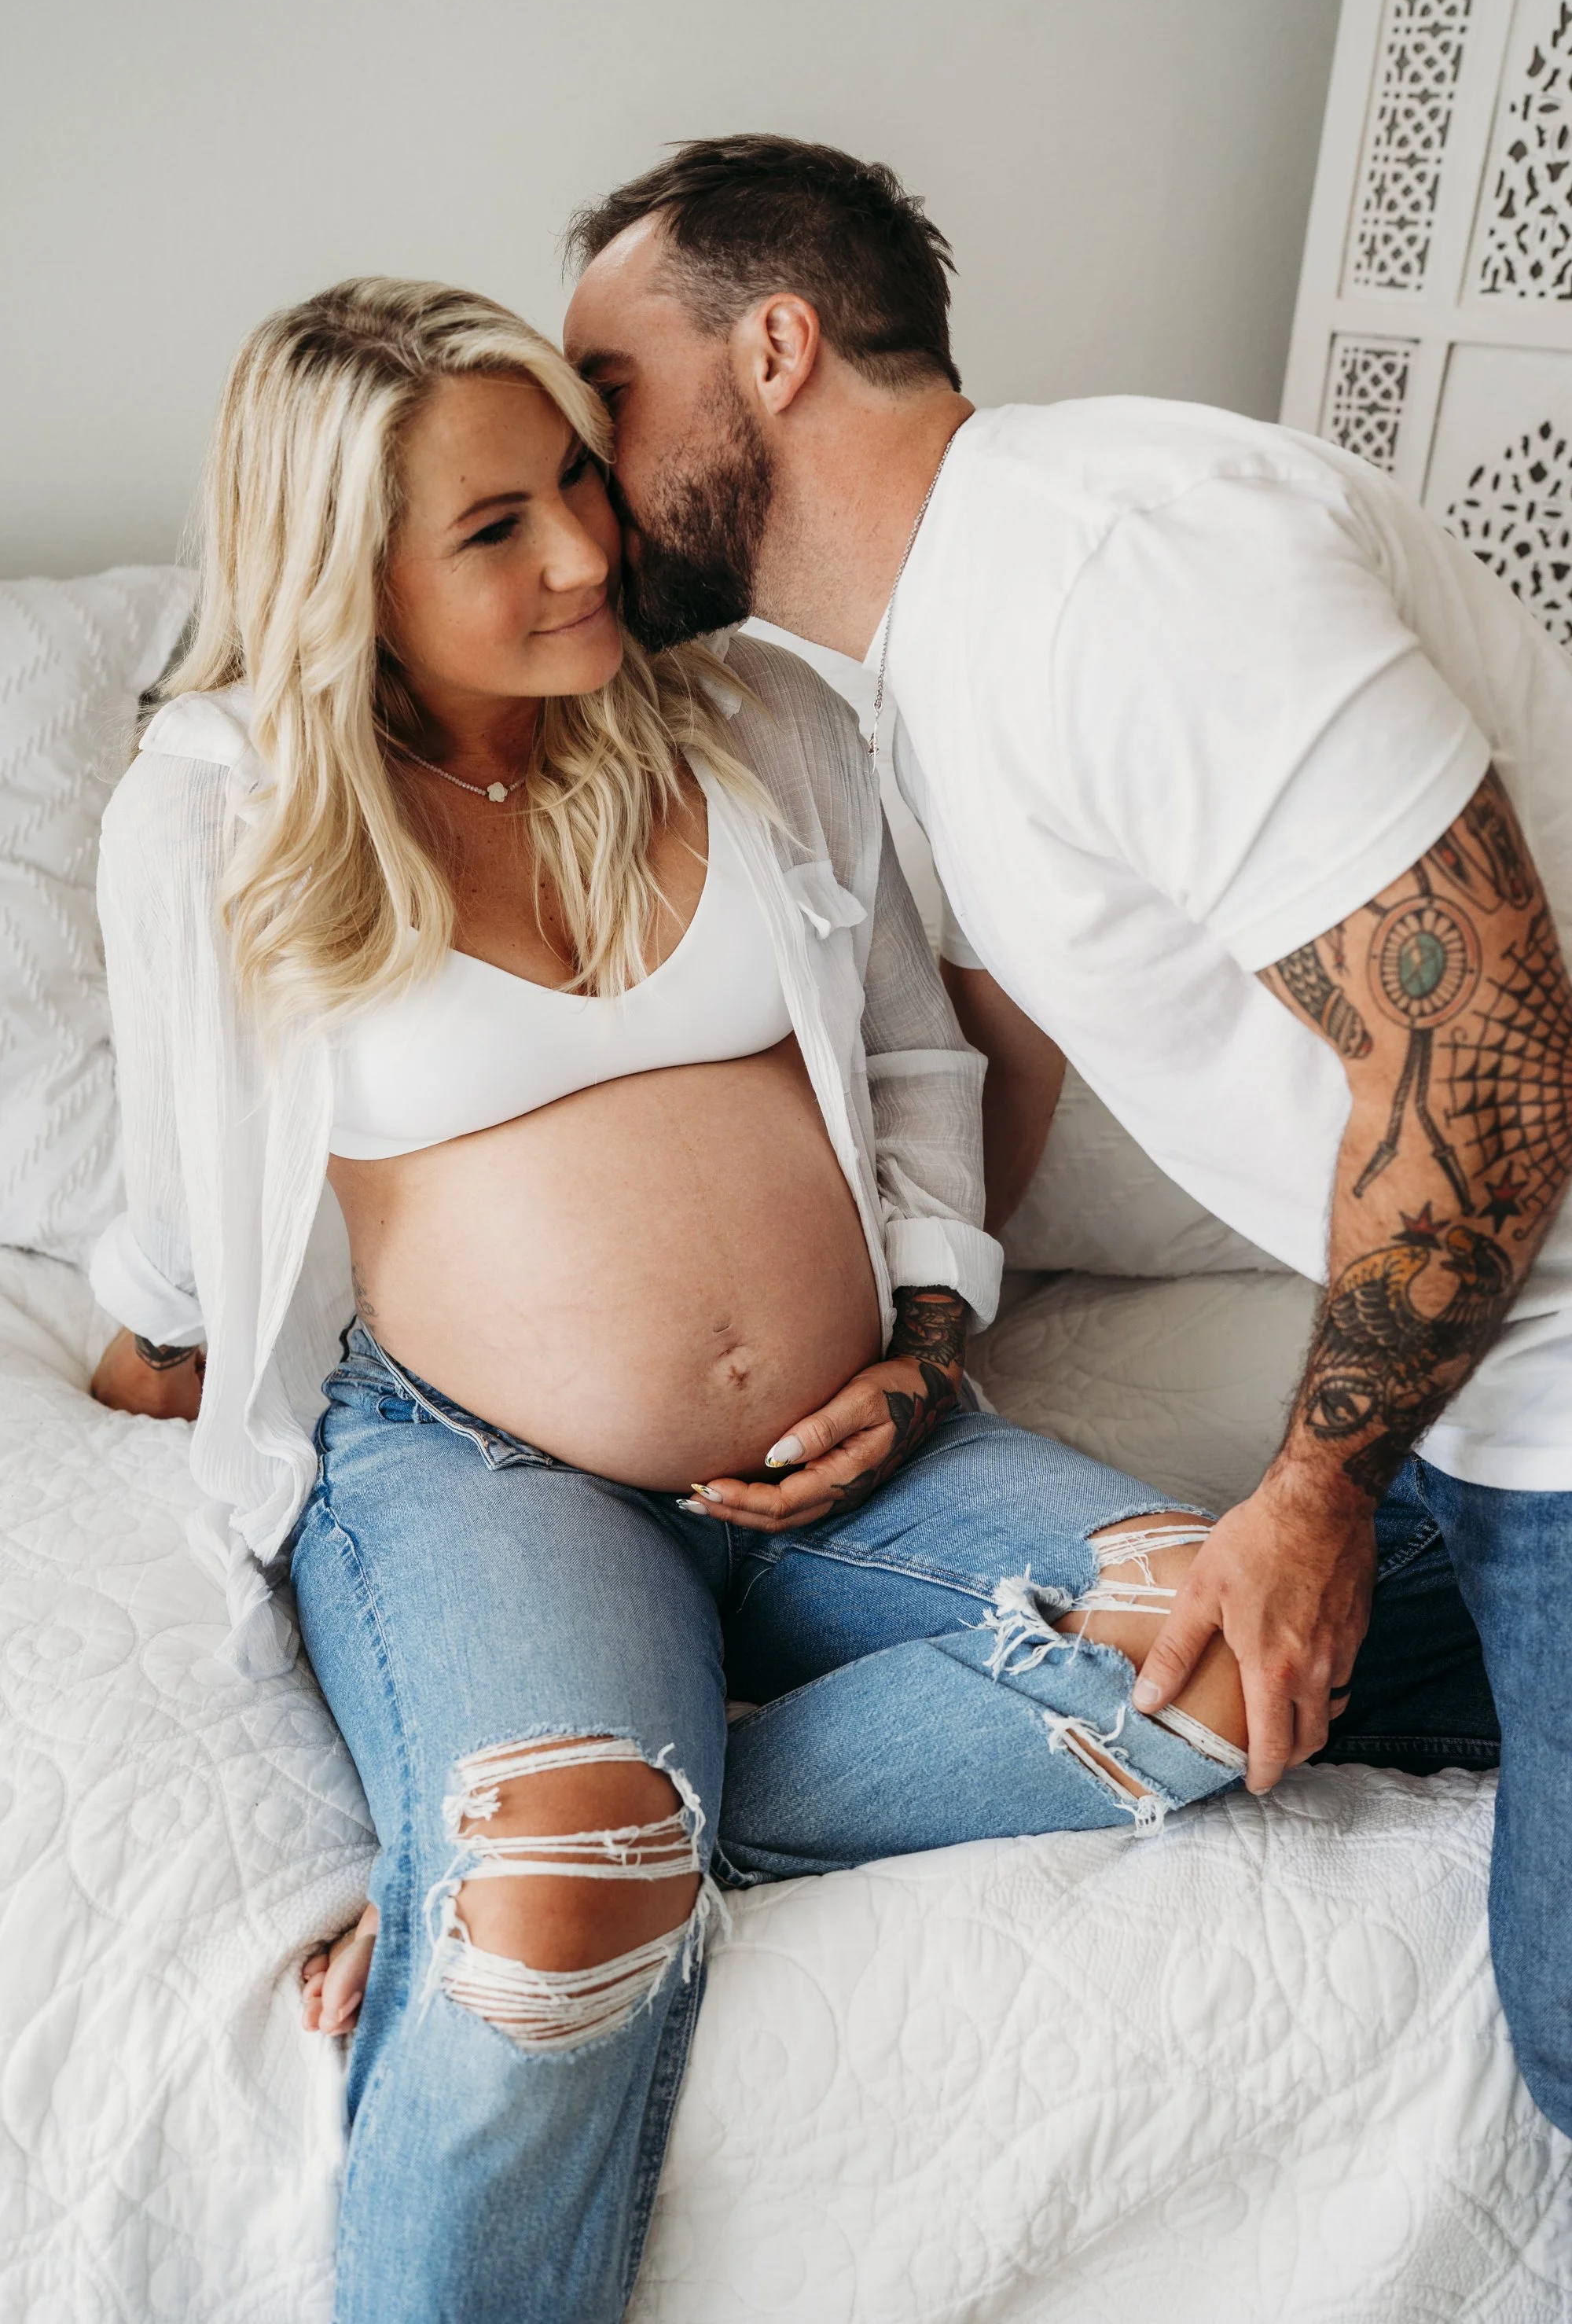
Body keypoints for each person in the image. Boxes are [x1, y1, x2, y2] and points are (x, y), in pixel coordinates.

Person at [87, 278, 1258, 2324]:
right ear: (347, 582)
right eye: (494, 529)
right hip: (485, 1472)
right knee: (556, 1930)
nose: (583, 549)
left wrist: (929, 1347)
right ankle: (560, 1829)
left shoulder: (753, 717)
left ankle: (588, 1805)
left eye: (575, 479)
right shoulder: (223, 808)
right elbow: (190, 1201)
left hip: (861, 1445)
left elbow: (913, 1064)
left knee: (1220, 1653)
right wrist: (143, 1348)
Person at [560, 135, 1572, 2136]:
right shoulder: (916, 659)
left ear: (773, 347)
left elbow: (1494, 1055)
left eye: (608, 388)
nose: (587, 469)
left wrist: (1311, 1499)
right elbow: (1006, 1039)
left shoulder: (1124, 569)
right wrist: (925, 1344)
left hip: (1543, 1386)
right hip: (1464, 1405)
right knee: (1171, 1674)